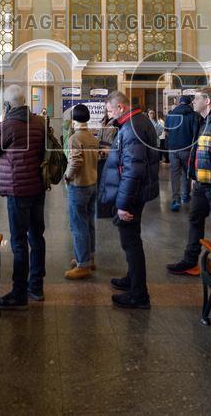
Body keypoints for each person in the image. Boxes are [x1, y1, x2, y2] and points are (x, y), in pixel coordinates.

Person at [0, 85, 46, 310]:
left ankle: (19, 294)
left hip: (18, 189)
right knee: (37, 237)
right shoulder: (39, 122)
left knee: (18, 241)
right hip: (37, 186)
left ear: (7, 105)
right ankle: (36, 287)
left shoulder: (7, 125)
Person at [167, 87, 211, 277]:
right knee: (195, 221)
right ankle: (190, 262)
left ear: (207, 101)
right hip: (201, 184)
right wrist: (194, 178)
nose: (193, 102)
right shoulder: (205, 121)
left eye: (196, 98)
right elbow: (200, 153)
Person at [100, 91, 159, 309]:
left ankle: (139, 294)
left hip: (132, 195)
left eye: (109, 110)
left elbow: (133, 169)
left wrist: (123, 204)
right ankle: (132, 278)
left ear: (120, 108)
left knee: (131, 242)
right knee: (130, 240)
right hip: (137, 191)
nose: (108, 114)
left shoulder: (131, 127)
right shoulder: (138, 121)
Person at [63, 104, 100, 280]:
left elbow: (75, 162)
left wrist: (67, 176)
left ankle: (83, 264)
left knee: (78, 226)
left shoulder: (75, 138)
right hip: (93, 183)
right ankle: (88, 257)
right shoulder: (92, 137)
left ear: (73, 119)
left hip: (79, 186)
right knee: (89, 223)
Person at [165, 95, 199, 212]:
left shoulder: (171, 114)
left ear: (179, 103)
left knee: (175, 174)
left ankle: (175, 199)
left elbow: (167, 131)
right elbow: (195, 133)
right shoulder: (193, 115)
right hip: (187, 149)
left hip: (173, 149)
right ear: (190, 103)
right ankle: (185, 196)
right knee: (186, 173)